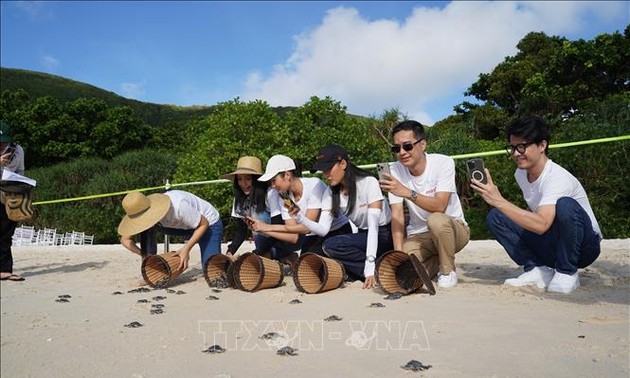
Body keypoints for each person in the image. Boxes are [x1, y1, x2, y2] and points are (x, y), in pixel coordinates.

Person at [470, 115, 601, 294]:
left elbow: (541, 225)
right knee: (496, 217)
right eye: (513, 147)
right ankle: (538, 270)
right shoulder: (521, 174)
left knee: (565, 205)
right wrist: (498, 205)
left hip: (584, 247)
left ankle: (566, 271)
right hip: (553, 242)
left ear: (542, 145)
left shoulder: (557, 177)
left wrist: (498, 200)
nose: (516, 153)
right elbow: (537, 218)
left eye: (522, 146)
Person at [380, 120, 470, 289]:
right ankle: (436, 262)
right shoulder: (394, 170)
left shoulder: (443, 163)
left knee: (436, 219)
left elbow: (440, 206)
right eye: (396, 148)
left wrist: (407, 192)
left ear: (423, 144)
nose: (402, 152)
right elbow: (397, 215)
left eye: (407, 146)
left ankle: (447, 270)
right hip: (420, 235)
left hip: (453, 229)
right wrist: (399, 256)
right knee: (402, 270)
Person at [311, 144, 393, 289]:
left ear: (343, 164)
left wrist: (369, 263)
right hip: (363, 236)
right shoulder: (331, 192)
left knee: (334, 245)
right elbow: (323, 229)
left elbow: (373, 228)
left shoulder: (368, 182)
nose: (326, 174)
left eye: (329, 169)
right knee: (323, 248)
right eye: (323, 171)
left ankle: (376, 271)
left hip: (383, 234)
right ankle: (375, 269)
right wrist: (300, 218)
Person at [250, 154, 351, 262]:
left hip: (339, 230)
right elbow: (293, 236)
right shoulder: (284, 197)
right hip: (315, 236)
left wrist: (267, 227)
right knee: (305, 266)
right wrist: (261, 228)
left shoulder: (313, 185)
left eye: (274, 181)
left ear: (287, 175)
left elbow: (307, 227)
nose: (273, 186)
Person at [118, 190, 223, 272]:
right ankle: (150, 263)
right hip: (184, 226)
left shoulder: (179, 207)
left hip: (208, 225)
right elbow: (125, 240)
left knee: (212, 271)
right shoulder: (140, 211)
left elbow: (203, 224)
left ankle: (229, 258)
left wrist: (186, 249)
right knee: (147, 230)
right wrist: (144, 254)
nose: (144, 221)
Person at [219, 156, 282, 256]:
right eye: (239, 179)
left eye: (248, 178)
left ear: (257, 179)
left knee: (260, 216)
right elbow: (242, 231)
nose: (243, 183)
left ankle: (283, 255)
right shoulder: (239, 200)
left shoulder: (270, 194)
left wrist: (260, 252)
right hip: (261, 243)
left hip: (280, 240)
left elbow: (279, 226)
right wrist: (230, 252)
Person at [0, 121, 27, 281]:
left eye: (5, 142)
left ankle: (5, 269)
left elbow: (21, 170)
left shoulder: (17, 150)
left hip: (9, 194)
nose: (3, 146)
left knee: (6, 233)